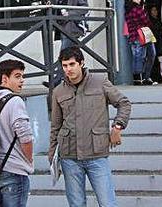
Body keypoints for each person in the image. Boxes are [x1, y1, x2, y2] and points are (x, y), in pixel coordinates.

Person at [49, 47, 132, 207]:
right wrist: (52, 156)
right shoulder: (58, 91)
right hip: (69, 157)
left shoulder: (100, 82)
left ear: (81, 63)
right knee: (76, 204)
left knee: (107, 203)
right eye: (65, 66)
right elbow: (55, 126)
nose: (68, 69)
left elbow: (124, 103)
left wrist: (118, 126)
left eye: (72, 64)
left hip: (97, 155)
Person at [0, 60, 34, 207]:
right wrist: (29, 160)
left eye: (22, 76)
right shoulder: (15, 101)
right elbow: (25, 136)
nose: (22, 80)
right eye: (17, 76)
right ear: (4, 79)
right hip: (14, 170)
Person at [50, 0, 88, 87]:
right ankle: (78, 78)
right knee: (74, 55)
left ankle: (56, 81)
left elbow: (84, 8)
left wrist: (69, 14)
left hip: (72, 29)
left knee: (64, 54)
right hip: (62, 29)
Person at [124, 0, 157, 85]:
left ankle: (143, 77)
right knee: (140, 56)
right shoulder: (135, 9)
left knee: (144, 55)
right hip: (139, 34)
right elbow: (145, 21)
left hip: (140, 34)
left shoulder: (133, 8)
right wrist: (142, 8)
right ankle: (140, 78)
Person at [148, 5, 162, 82]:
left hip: (159, 43)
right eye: (153, 10)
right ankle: (156, 77)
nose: (155, 12)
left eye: (156, 10)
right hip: (154, 42)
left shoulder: (159, 21)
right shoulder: (150, 22)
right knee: (154, 61)